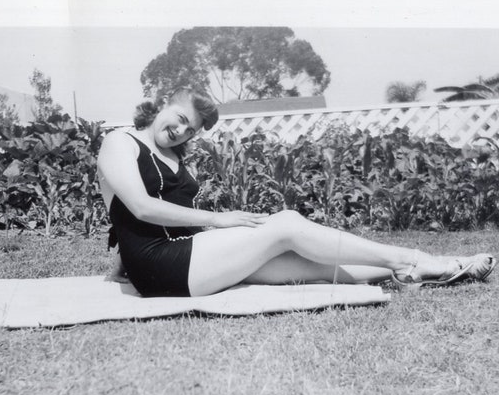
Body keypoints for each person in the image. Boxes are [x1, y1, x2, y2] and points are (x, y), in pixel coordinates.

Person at [97, 87, 496, 297]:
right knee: (286, 224)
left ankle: (437, 268)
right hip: (164, 267)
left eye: (191, 129)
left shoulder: (173, 158)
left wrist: (121, 265)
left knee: (315, 266)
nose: (182, 131)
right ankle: (414, 258)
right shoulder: (121, 142)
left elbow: (126, 222)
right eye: (181, 119)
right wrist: (218, 220)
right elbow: (139, 207)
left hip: (188, 257)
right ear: (164, 103)